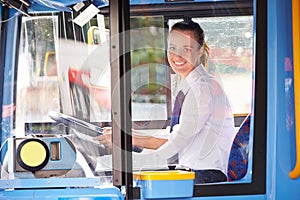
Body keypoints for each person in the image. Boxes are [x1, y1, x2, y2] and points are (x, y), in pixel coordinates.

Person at [94, 19, 235, 184]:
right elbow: (174, 135)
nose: (178, 55)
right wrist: (126, 136)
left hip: (207, 175)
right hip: (192, 170)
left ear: (200, 51)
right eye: (173, 48)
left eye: (187, 49)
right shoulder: (191, 84)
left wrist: (129, 148)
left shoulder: (202, 89)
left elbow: (179, 140)